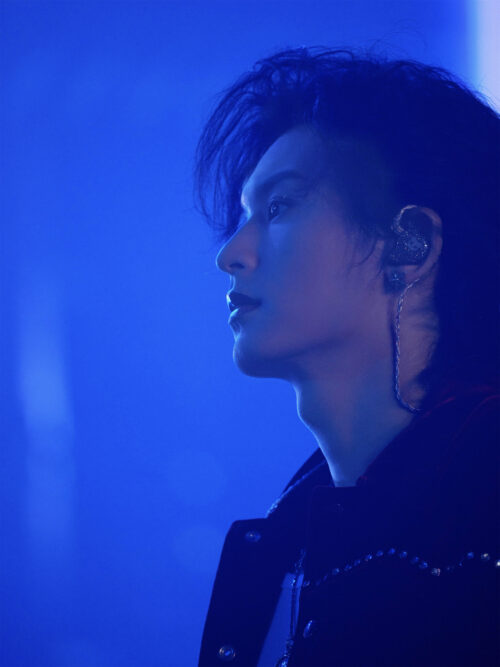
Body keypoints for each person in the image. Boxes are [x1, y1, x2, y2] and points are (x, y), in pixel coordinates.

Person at [193, 47, 500, 666]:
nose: (231, 254)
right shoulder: (283, 543)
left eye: (279, 207)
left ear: (410, 246)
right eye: (245, 216)